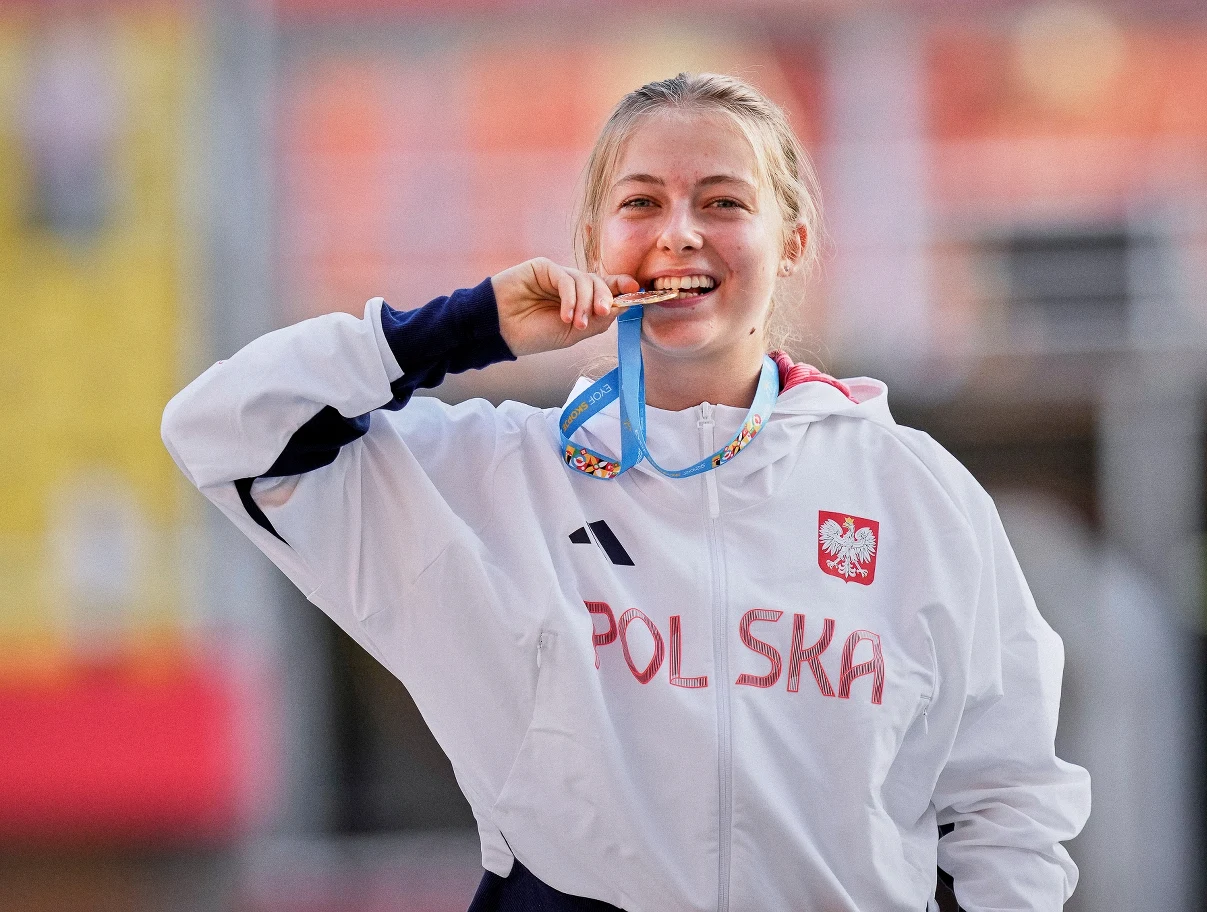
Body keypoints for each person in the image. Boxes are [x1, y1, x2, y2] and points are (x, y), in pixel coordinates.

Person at [162, 72, 1090, 912]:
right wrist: (462, 328)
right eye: (641, 202)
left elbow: (1007, 804)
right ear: (593, 243)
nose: (678, 232)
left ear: (793, 240)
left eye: (723, 201)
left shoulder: (913, 490)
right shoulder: (487, 478)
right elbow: (223, 430)